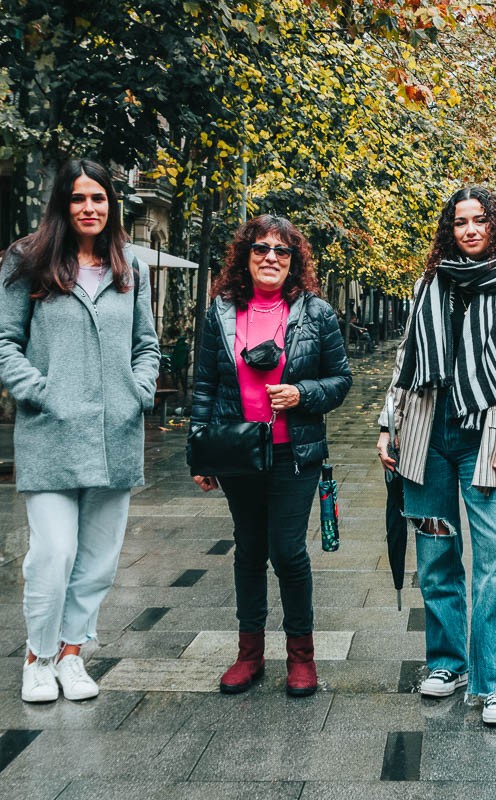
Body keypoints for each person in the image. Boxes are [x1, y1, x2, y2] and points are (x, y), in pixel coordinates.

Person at [0, 159, 160, 703]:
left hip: (115, 435)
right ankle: (37, 657)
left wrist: (140, 389)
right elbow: (1, 341)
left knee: (100, 560)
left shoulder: (130, 266)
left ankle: (72, 654)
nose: (90, 208)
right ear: (63, 204)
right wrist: (40, 390)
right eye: (80, 198)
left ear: (113, 205)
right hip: (51, 434)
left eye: (100, 199)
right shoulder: (29, 259)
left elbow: (146, 343)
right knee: (54, 552)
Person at [376, 186, 496, 727]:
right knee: (436, 558)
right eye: (459, 222)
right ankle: (447, 664)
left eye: (478, 221)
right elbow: (407, 361)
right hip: (426, 437)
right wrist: (388, 425)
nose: (469, 230)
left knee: (495, 561)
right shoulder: (431, 286)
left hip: (488, 438)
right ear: (449, 230)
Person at [191, 215, 351, 697]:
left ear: (294, 262)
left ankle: (301, 656)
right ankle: (249, 654)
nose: (270, 258)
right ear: (246, 256)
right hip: (238, 453)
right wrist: (200, 452)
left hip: (294, 455)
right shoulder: (220, 311)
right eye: (261, 249)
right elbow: (205, 385)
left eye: (282, 252)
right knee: (249, 551)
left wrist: (302, 394)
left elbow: (341, 380)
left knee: (287, 551)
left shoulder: (316, 313)